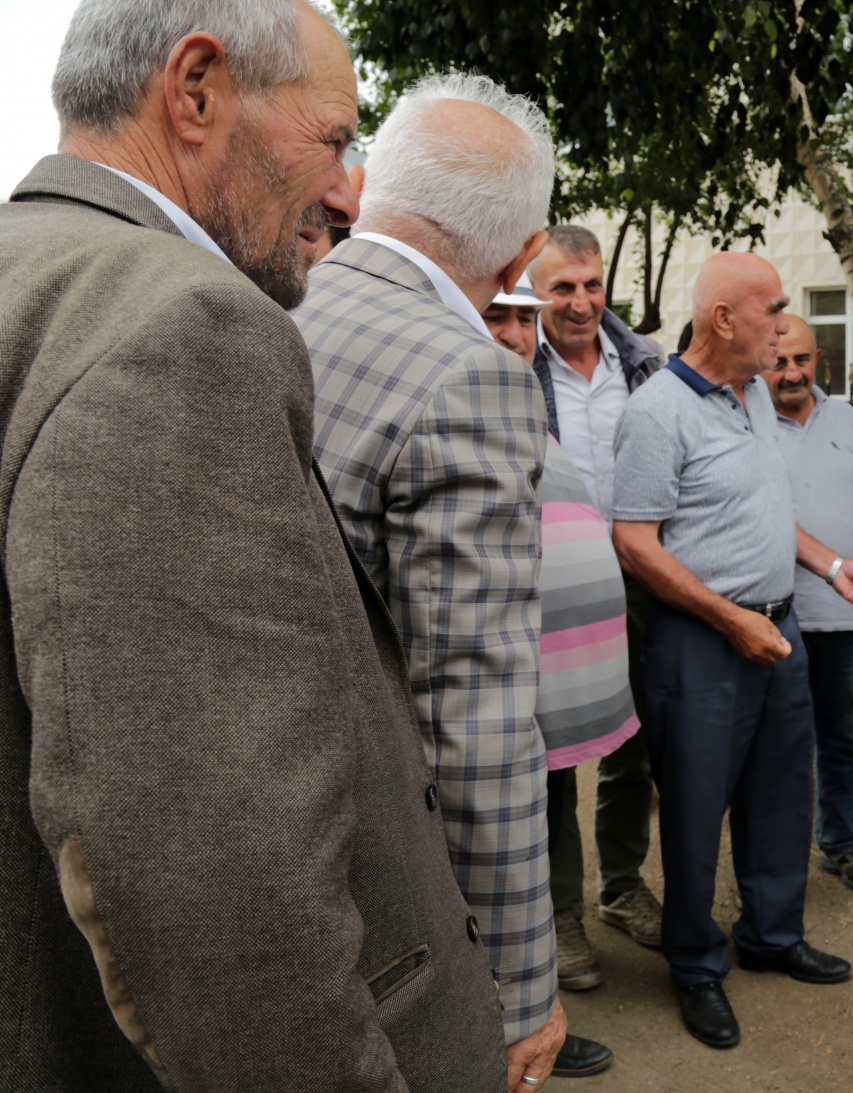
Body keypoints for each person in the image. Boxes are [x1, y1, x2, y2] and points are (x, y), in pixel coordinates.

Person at [1, 2, 509, 1090]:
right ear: (195, 92)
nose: (349, 190)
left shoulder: (33, 274)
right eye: (331, 139)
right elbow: (211, 885)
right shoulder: (179, 325)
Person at [297, 72, 568, 1089]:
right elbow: (478, 719)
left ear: (367, 183)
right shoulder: (471, 377)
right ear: (525, 252)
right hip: (383, 883)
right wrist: (517, 984)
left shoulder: (270, 298)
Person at [611, 252, 853, 1049]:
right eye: (772, 307)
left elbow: (766, 513)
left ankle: (771, 933)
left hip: (778, 630)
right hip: (701, 641)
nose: (783, 320)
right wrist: (730, 620)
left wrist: (829, 563)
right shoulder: (659, 410)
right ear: (725, 318)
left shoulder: (755, 395)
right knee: (697, 807)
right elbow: (633, 541)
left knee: (779, 793)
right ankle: (696, 966)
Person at [485, 276, 627, 1079]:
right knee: (498, 853)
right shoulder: (457, 403)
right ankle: (510, 1020)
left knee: (545, 824)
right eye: (494, 316)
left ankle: (535, 980)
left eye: (521, 319)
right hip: (490, 702)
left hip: (543, 700)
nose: (514, 334)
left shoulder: (519, 406)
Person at [526, 224, 667, 990]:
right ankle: (559, 915)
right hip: (551, 585)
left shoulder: (644, 365)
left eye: (590, 285)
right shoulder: (513, 359)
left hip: (640, 578)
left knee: (632, 741)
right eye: (562, 288)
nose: (580, 303)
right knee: (548, 754)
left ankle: (619, 886)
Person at [762, 317, 853, 896]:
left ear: (818, 358)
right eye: (778, 362)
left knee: (844, 734)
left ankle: (843, 843)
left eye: (801, 360)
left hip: (847, 613)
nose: (792, 373)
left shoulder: (843, 415)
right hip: (776, 611)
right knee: (780, 740)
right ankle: (777, 856)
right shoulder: (745, 417)